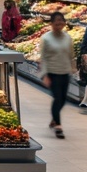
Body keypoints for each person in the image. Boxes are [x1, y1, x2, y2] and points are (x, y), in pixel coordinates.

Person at [37, 11, 78, 139]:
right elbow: (43, 57)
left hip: (65, 72)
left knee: (63, 99)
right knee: (57, 98)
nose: (59, 24)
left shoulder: (67, 38)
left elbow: (71, 55)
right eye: (56, 22)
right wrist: (44, 75)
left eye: (61, 21)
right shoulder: (46, 38)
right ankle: (58, 126)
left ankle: (54, 118)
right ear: (51, 23)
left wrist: (73, 67)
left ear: (64, 23)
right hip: (52, 73)